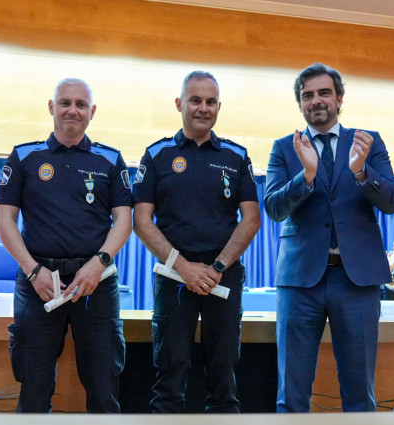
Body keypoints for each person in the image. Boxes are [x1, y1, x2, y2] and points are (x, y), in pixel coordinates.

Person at [264, 62, 394, 412]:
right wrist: (306, 176)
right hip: (300, 281)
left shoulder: (368, 142)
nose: (316, 101)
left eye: (324, 93)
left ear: (339, 99)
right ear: (300, 105)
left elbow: (391, 201)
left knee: (359, 392)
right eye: (307, 96)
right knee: (291, 393)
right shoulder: (284, 147)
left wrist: (360, 172)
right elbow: (274, 209)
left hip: (356, 280)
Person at [0, 78, 132, 413]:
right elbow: (5, 223)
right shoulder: (24, 157)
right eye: (65, 103)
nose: (73, 110)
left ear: (92, 112)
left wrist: (98, 264)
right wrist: (33, 271)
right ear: (51, 107)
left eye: (81, 104)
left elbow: (124, 221)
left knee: (103, 388)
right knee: (34, 389)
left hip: (96, 283)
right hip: (39, 282)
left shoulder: (110, 160)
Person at [132, 71, 260, 413]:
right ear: (179, 104)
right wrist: (183, 267)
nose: (203, 108)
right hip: (174, 275)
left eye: (211, 101)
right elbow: (140, 221)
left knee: (223, 374)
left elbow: (251, 219)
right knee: (170, 375)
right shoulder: (157, 154)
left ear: (219, 106)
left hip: (224, 276)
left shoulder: (237, 156)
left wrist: (217, 267)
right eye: (195, 100)